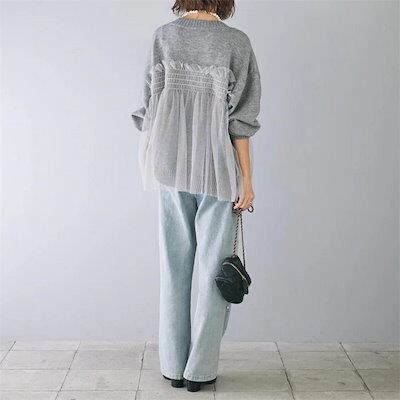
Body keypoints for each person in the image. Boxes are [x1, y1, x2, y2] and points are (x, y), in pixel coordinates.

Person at [131, 0, 261, 392]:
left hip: (169, 167)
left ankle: (172, 366)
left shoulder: (163, 37)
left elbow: (149, 108)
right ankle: (199, 371)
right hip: (218, 171)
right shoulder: (236, 43)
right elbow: (241, 121)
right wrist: (247, 180)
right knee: (212, 269)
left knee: (173, 267)